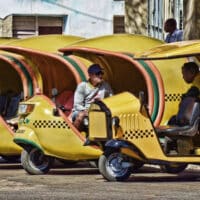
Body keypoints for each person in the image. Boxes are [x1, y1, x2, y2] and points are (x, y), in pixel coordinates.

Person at [72, 63, 113, 131]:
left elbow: (112, 99)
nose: (100, 76)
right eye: (97, 74)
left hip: (100, 111)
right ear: (90, 75)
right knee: (80, 116)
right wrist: (87, 112)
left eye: (101, 73)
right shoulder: (83, 86)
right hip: (83, 111)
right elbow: (77, 105)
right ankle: (75, 135)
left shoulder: (105, 86)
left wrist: (104, 101)